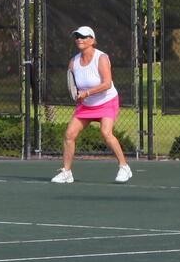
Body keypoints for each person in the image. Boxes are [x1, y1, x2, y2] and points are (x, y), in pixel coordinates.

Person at [52, 25, 132, 184]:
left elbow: (107, 84)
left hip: (107, 101)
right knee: (69, 135)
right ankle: (66, 172)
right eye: (77, 37)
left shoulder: (101, 58)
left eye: (83, 36)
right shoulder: (73, 62)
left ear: (92, 40)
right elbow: (73, 85)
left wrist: (87, 93)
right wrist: (78, 95)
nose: (79, 39)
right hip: (86, 105)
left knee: (106, 133)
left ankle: (124, 167)